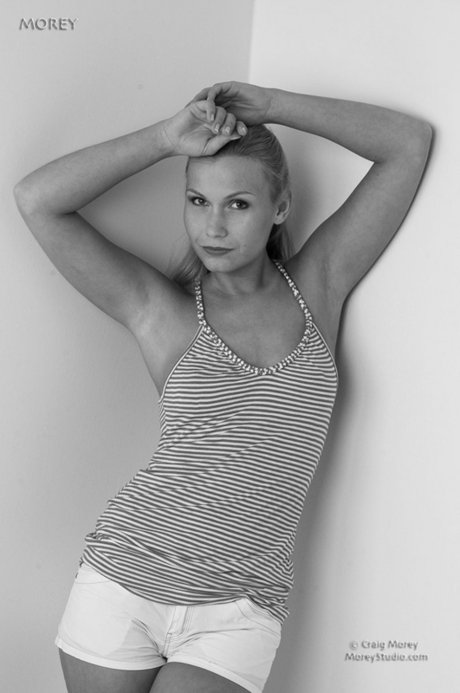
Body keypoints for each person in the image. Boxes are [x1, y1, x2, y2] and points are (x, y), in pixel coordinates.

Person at [13, 81, 432, 693]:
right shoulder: (161, 310)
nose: (213, 226)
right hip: (123, 582)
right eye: (197, 201)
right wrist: (164, 138)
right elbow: (37, 199)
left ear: (279, 208)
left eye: (237, 204)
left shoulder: (318, 286)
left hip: (240, 609)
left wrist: (273, 106)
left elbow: (407, 143)